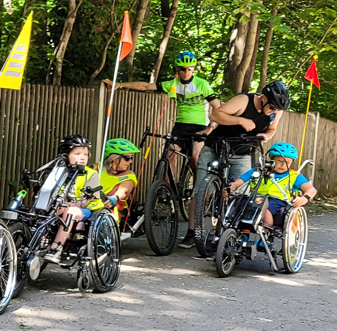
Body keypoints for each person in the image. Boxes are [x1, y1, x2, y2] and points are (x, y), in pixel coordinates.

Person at [179, 80, 290, 249]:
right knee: (202, 190)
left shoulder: (276, 111)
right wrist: (239, 121)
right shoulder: (244, 101)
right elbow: (215, 115)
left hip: (243, 152)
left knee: (240, 193)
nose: (274, 111)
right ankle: (192, 232)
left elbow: (272, 129)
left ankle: (229, 234)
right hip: (216, 146)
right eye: (273, 107)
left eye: (277, 109)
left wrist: (266, 136)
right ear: (264, 98)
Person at [104, 51, 220, 168]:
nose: (186, 72)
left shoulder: (202, 84)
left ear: (194, 68)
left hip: (200, 126)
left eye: (190, 68)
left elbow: (217, 107)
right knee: (169, 155)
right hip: (181, 126)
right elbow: (145, 86)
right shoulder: (172, 84)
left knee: (195, 157)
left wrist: (211, 127)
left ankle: (197, 185)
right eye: (183, 69)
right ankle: (167, 185)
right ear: (177, 69)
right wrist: (120, 85)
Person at [225, 142, 316, 230]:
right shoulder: (258, 170)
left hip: (277, 201)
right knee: (241, 204)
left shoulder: (294, 176)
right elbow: (238, 182)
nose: (283, 165)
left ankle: (266, 232)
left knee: (265, 206)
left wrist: (305, 198)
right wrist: (231, 187)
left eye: (287, 162)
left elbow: (311, 189)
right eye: (280, 161)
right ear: (271, 158)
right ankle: (243, 234)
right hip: (254, 198)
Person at [44, 135, 104, 264]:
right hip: (60, 207)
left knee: (70, 212)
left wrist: (64, 207)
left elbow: (86, 201)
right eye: (77, 154)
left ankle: (56, 248)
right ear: (66, 155)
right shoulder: (58, 172)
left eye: (86, 154)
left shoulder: (91, 173)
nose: (82, 157)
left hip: (87, 210)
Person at [99, 138, 140, 223]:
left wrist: (115, 198)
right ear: (114, 158)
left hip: (113, 213)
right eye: (127, 158)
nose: (131, 161)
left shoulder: (129, 175)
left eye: (131, 157)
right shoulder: (97, 168)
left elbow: (124, 191)